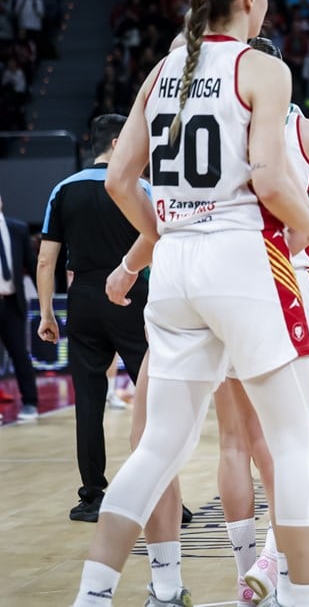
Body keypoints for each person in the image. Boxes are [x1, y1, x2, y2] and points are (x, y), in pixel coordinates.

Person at [68, 0, 309, 605]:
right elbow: (271, 180)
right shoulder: (263, 67)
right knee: (293, 445)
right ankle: (306, 598)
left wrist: (161, 233)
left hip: (175, 271)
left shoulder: (162, 70)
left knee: (157, 448)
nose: (268, 6)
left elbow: (117, 180)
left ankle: (93, 594)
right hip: (240, 259)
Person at [36, 114, 149, 522]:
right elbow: (160, 245)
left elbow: (47, 259)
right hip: (131, 293)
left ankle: (92, 497)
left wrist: (48, 313)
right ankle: (158, 498)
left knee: (88, 399)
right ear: (118, 144)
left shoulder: (62, 189)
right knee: (155, 399)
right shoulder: (139, 187)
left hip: (82, 297)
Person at [0, 192, 39, 422]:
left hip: (13, 301)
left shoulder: (18, 228)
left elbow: (32, 266)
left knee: (20, 355)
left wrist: (45, 299)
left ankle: (31, 403)